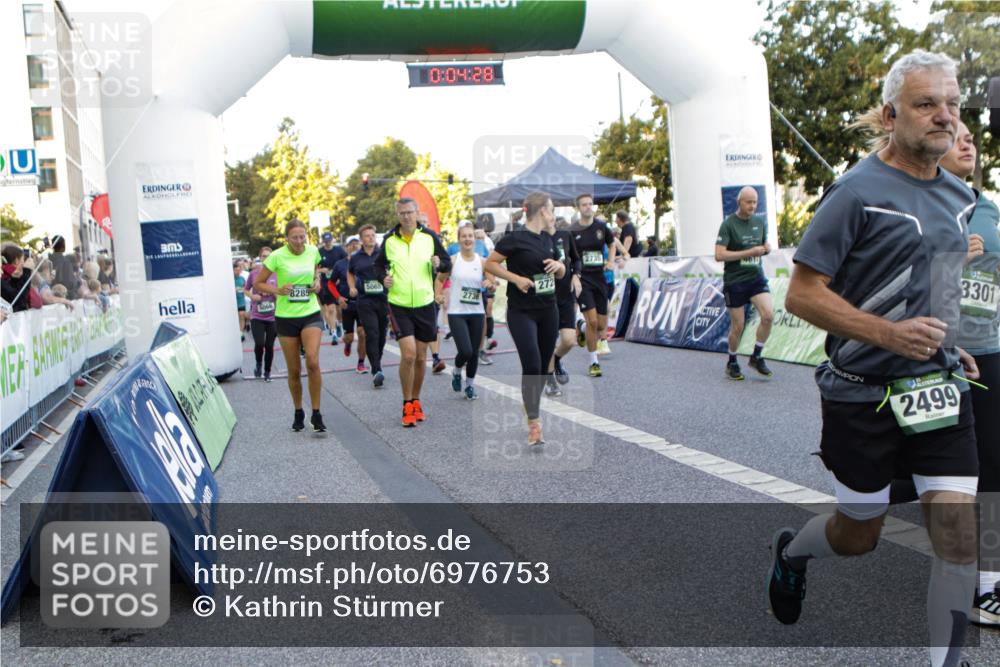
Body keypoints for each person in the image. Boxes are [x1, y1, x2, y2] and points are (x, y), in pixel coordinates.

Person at [766, 51, 980, 667]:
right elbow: (802, 295)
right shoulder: (854, 193)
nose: (945, 117)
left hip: (936, 387)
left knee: (959, 535)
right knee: (858, 534)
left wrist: (946, 342)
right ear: (890, 116)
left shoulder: (960, 195)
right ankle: (794, 552)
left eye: (952, 105)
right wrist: (889, 336)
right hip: (862, 392)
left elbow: (933, 282)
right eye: (926, 104)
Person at [938, 121, 1000, 626]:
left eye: (971, 137)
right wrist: (953, 262)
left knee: (995, 464)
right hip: (937, 357)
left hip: (991, 352)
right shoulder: (926, 207)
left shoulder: (990, 208)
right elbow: (903, 282)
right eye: (955, 135)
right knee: (945, 471)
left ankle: (987, 583)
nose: (967, 143)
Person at [485, 191, 565, 446]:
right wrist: (516, 279)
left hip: (548, 309)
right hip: (521, 311)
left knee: (542, 367)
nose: (553, 215)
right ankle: (534, 423)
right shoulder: (514, 238)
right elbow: (491, 264)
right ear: (542, 210)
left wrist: (559, 267)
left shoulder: (550, 239)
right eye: (551, 209)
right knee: (531, 364)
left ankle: (532, 405)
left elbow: (563, 270)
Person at [375, 198, 451, 427]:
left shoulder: (429, 237)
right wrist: (383, 278)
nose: (406, 217)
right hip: (399, 303)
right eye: (402, 213)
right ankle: (406, 403)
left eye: (409, 212)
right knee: (408, 354)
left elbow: (447, 263)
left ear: (417, 212)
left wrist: (440, 263)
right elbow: (377, 266)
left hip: (425, 302)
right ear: (397, 215)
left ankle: (416, 400)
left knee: (420, 357)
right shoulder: (389, 240)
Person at [254, 219, 327, 432]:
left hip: (310, 312)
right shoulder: (277, 256)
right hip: (286, 316)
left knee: (312, 361)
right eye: (294, 237)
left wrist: (316, 282)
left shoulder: (313, 251)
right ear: (287, 238)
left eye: (302, 237)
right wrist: (278, 290)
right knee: (294, 370)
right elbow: (259, 283)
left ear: (306, 236)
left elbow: (316, 273)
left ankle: (316, 412)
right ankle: (298, 410)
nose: (298, 241)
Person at [715, 186, 774, 380]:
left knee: (768, 315)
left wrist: (766, 248)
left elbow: (763, 246)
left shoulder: (759, 222)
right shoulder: (728, 224)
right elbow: (719, 254)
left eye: (755, 202)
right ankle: (732, 361)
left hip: (756, 277)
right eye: (748, 202)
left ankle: (756, 356)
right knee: (738, 326)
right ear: (739, 202)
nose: (752, 206)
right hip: (735, 281)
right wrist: (749, 252)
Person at [439, 223, 491, 400]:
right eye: (464, 236)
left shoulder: (482, 261)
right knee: (466, 351)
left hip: (477, 312)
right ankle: (457, 370)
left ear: (474, 239)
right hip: (456, 312)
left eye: (470, 236)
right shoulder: (453, 260)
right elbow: (440, 279)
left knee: (474, 352)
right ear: (459, 239)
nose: (467, 239)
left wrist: (489, 283)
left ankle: (469, 385)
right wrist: (437, 295)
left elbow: (492, 280)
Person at [571, 195, 616, 376]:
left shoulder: (601, 227)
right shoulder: (572, 230)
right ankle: (594, 362)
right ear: (578, 208)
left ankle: (581, 328)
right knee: (593, 321)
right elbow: (569, 255)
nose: (588, 207)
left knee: (601, 325)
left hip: (600, 278)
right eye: (584, 205)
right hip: (583, 280)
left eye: (590, 204)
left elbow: (612, 244)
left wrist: (611, 261)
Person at [546, 212, 582, 396]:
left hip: (566, 295)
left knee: (569, 340)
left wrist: (576, 275)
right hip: (546, 297)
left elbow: (576, 259)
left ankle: (557, 359)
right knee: (549, 341)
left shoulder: (565, 235)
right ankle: (550, 380)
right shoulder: (537, 239)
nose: (549, 217)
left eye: (550, 212)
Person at [349, 225, 389, 388]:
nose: (371, 238)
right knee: (371, 333)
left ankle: (376, 360)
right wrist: (352, 287)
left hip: (383, 299)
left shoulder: (384, 254)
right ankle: (376, 370)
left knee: (381, 335)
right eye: (367, 236)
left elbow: (393, 270)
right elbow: (350, 273)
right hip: (365, 300)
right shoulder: (356, 257)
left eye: (373, 235)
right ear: (362, 239)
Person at [330, 236, 366, 374]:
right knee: (349, 336)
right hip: (347, 305)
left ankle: (361, 362)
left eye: (357, 244)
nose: (355, 246)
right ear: (347, 248)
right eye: (352, 244)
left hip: (363, 303)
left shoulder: (366, 262)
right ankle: (348, 342)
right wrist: (338, 297)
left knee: (363, 333)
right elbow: (331, 283)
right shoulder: (340, 264)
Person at [245, 247, 277, 381]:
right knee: (259, 343)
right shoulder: (254, 273)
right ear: (260, 257)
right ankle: (258, 363)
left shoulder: (277, 274)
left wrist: (272, 292)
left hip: (273, 316)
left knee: (269, 346)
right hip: (257, 316)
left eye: (269, 256)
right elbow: (246, 290)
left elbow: (282, 292)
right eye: (264, 256)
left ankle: (267, 372)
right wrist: (253, 296)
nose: (266, 258)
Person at [318, 231, 346, 344]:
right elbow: (314, 267)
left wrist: (340, 274)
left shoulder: (339, 250)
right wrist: (321, 270)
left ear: (332, 240)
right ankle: (334, 333)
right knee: (330, 309)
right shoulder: (319, 252)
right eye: (326, 241)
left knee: (340, 308)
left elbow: (347, 262)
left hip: (339, 282)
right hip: (326, 283)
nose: (328, 243)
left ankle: (339, 323)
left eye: (329, 241)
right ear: (323, 241)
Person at [1, 244, 34, 312]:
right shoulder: (6, 275)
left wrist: (16, 279)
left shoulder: (10, 276)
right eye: (23, 259)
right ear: (16, 260)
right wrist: (27, 271)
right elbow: (19, 301)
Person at [233, 260, 247, 341]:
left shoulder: (242, 278)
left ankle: (241, 333)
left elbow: (246, 288)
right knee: (235, 318)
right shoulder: (230, 279)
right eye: (236, 270)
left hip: (241, 300)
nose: (238, 272)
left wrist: (243, 289)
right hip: (233, 302)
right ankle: (236, 333)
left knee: (241, 315)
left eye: (239, 270)